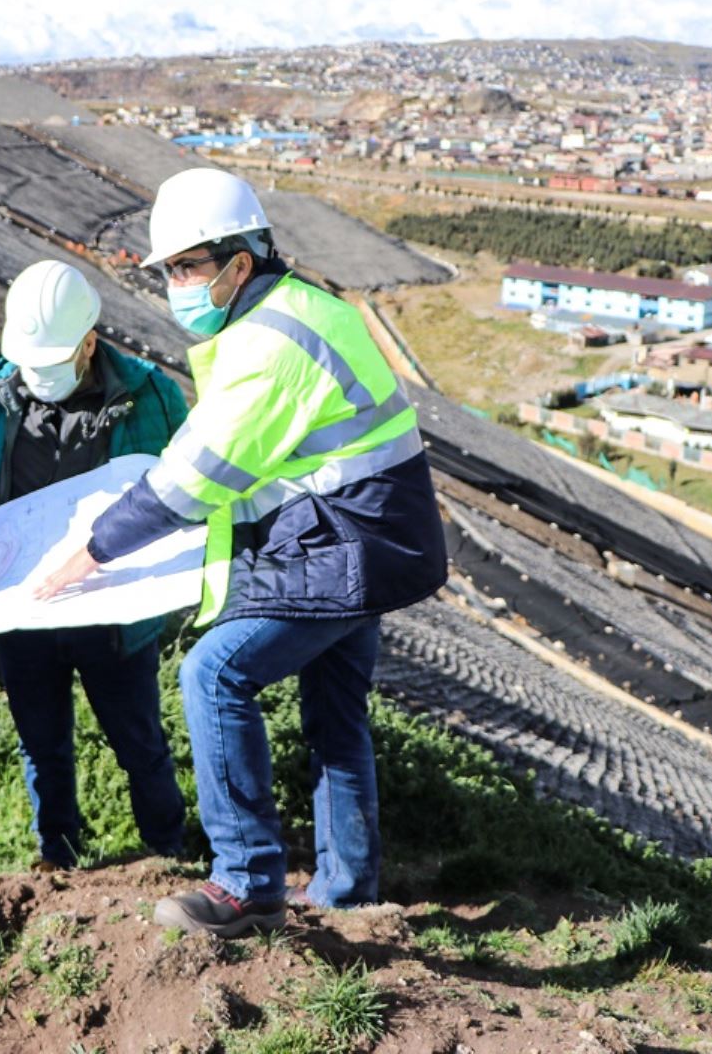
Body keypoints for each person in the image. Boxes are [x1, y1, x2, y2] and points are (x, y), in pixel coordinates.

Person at [38, 168, 448, 935]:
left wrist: (91, 551)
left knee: (214, 671)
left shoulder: (270, 341)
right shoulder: (303, 308)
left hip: (346, 545)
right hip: (369, 533)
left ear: (242, 261)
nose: (179, 284)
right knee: (336, 715)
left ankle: (247, 883)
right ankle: (348, 895)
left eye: (192, 266)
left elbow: (198, 476)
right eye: (171, 270)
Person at [0, 259, 189, 870]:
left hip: (113, 612)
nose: (40, 376)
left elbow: (192, 475)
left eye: (55, 363)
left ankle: (169, 849)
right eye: (33, 363)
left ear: (89, 342)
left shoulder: (153, 397)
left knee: (140, 743)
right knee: (42, 744)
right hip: (23, 611)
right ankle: (59, 855)